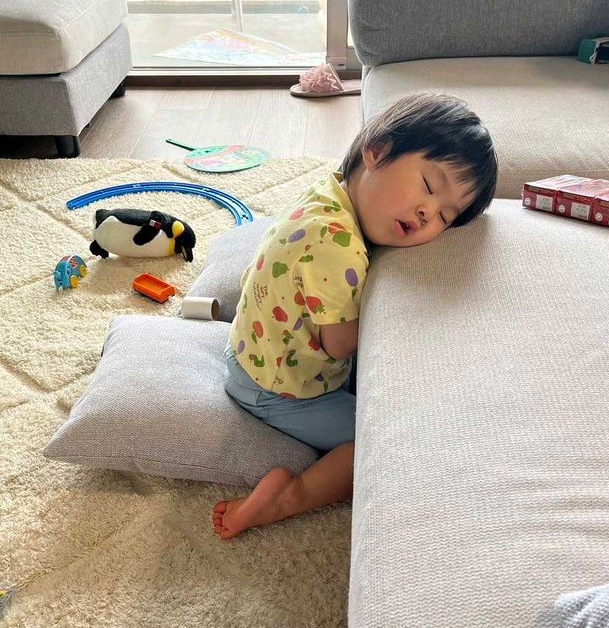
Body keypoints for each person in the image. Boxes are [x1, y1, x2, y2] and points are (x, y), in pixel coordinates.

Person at [212, 91, 498, 540]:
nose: (428, 213)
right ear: (378, 150)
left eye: (446, 215)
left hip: (251, 349)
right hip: (277, 389)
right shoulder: (338, 245)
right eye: (428, 186)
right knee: (386, 441)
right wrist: (400, 320)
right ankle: (290, 495)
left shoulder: (331, 194)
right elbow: (339, 343)